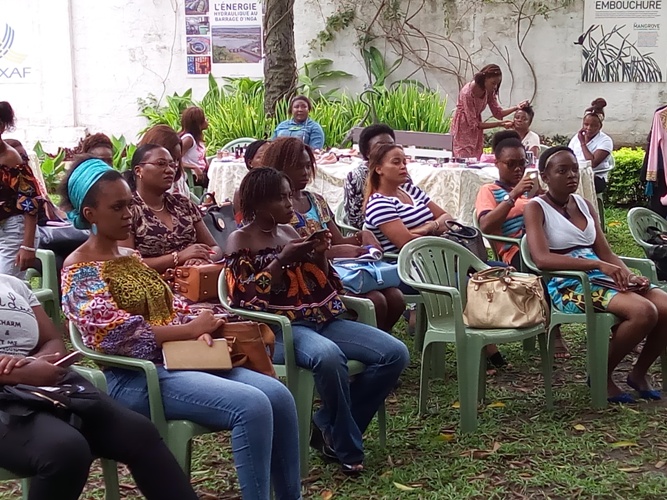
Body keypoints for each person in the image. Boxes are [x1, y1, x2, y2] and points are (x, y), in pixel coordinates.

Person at [59, 157, 302, 500]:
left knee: (278, 395)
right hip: (133, 377)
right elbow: (112, 335)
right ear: (90, 215)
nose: (129, 213)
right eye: (118, 207)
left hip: (179, 359)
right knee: (253, 405)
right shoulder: (80, 267)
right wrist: (186, 332)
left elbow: (169, 304)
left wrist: (197, 323)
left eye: (129, 204)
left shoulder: (129, 257)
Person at [224, 166, 409, 474]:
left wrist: (319, 254)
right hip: (278, 330)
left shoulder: (290, 232)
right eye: (281, 198)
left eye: (289, 197)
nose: (289, 204)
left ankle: (326, 425)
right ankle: (347, 447)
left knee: (394, 353)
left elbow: (323, 282)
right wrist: (282, 260)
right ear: (259, 204)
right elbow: (246, 297)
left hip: (321, 320)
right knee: (327, 356)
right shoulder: (239, 240)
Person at [0, 273, 199, 500]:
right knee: (64, 450)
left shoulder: (11, 283)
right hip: (12, 393)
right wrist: (18, 373)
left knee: (138, 433)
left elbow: (52, 341)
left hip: (44, 385)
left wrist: (36, 363)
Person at [525, 147, 667, 403]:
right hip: (568, 283)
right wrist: (597, 267)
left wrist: (628, 275)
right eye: (562, 170)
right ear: (544, 176)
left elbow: (606, 253)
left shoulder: (584, 204)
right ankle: (602, 374)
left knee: (665, 306)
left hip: (602, 276)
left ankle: (638, 373)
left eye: (574, 169)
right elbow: (542, 259)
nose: (571, 175)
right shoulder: (536, 208)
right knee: (644, 312)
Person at [262, 137, 405, 332]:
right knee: (376, 300)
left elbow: (338, 240)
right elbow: (292, 252)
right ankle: (362, 347)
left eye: (308, 166)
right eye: (298, 167)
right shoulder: (279, 208)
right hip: (310, 276)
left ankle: (377, 343)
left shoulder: (316, 200)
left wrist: (363, 236)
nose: (305, 173)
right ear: (280, 167)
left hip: (341, 270)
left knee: (396, 297)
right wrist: (342, 251)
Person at [476, 131, 569, 359]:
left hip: (544, 244)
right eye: (511, 164)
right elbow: (486, 225)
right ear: (497, 163)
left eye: (522, 163)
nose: (518, 169)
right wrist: (514, 195)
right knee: (544, 270)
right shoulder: (488, 191)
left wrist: (540, 194)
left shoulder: (531, 190)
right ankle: (553, 331)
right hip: (515, 251)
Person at [120, 145, 223, 308]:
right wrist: (178, 257)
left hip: (198, 287)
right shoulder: (128, 211)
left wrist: (201, 259)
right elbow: (128, 265)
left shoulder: (182, 204)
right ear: (139, 170)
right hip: (155, 294)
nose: (169, 170)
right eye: (161, 164)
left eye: (173, 165)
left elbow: (215, 248)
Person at [451, 64, 529, 159]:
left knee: (476, 159)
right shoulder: (467, 93)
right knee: (463, 158)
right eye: (493, 83)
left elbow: (498, 113)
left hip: (476, 130)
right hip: (463, 128)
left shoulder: (489, 91)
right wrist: (500, 124)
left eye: (497, 83)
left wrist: (516, 107)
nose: (495, 86)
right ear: (485, 79)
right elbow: (474, 124)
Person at [0, 102, 40, 278]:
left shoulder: (10, 158)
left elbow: (30, 202)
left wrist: (27, 246)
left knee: (5, 288)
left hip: (15, 232)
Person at [343, 124, 396, 229]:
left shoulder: (400, 173)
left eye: (390, 145)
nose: (387, 150)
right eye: (380, 145)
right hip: (371, 233)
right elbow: (355, 219)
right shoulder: (357, 177)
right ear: (367, 152)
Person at [568, 98, 613, 194]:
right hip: (575, 174)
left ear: (600, 126)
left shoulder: (605, 141)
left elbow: (592, 163)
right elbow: (568, 155)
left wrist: (583, 143)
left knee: (572, 183)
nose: (588, 128)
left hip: (596, 178)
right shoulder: (577, 137)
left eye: (593, 125)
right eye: (586, 124)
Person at [140, 125, 190, 197]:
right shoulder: (132, 197)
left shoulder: (179, 184)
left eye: (177, 160)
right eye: (162, 163)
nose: (174, 166)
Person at [232, 139, 270, 224]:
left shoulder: (282, 187)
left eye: (271, 156)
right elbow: (241, 224)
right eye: (263, 157)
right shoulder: (242, 193)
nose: (268, 160)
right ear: (250, 163)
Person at [179, 106, 208, 184]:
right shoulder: (188, 139)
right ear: (198, 123)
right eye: (204, 118)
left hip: (202, 173)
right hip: (192, 177)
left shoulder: (197, 138)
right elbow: (175, 160)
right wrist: (194, 167)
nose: (207, 120)